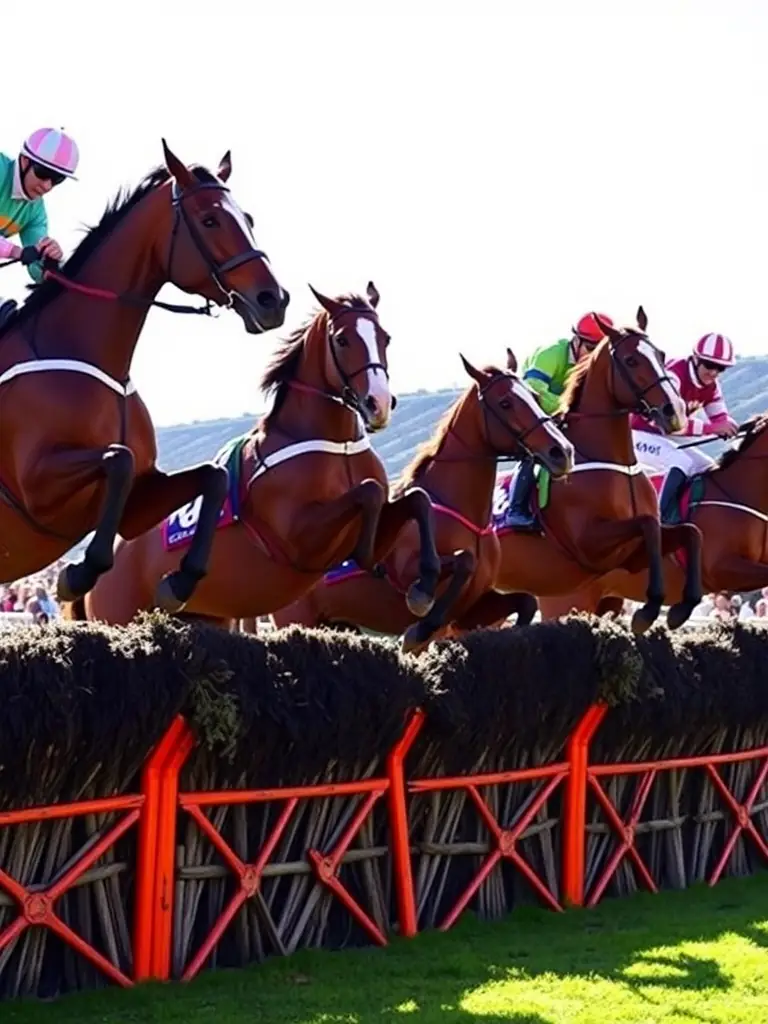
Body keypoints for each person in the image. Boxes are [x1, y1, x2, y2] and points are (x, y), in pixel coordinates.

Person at [502, 311, 615, 528]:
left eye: (600, 351)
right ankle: (516, 509)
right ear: (576, 340)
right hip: (530, 413)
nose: (593, 357)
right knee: (533, 450)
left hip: (562, 417)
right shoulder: (551, 354)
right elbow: (533, 390)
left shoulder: (596, 366)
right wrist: (568, 405)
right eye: (591, 349)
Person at [629, 333, 738, 520]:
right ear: (695, 359)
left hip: (664, 435)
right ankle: (660, 520)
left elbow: (720, 417)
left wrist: (731, 427)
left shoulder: (712, 385)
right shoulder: (674, 377)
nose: (713, 372)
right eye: (709, 365)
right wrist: (713, 429)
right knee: (682, 462)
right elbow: (671, 423)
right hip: (638, 433)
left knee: (707, 467)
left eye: (721, 368)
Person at [0, 128, 79, 320]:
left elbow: (37, 269)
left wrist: (51, 263)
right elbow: (22, 253)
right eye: (43, 173)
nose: (47, 186)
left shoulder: (36, 214)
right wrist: (16, 252)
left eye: (57, 179)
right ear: (25, 161)